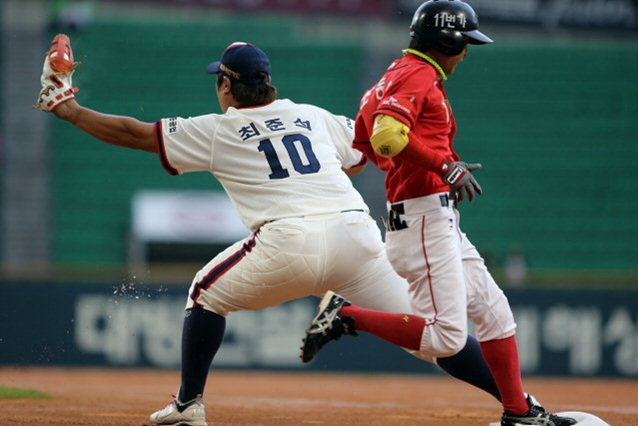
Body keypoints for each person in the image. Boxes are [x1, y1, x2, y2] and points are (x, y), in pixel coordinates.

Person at [36, 38, 507, 426]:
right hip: (356, 235)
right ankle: (521, 406)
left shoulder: (220, 129)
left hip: (289, 244)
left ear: (226, 85)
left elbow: (134, 133)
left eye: (218, 80)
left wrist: (69, 109)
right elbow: (367, 152)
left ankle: (187, 406)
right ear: (269, 84)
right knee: (431, 335)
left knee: (204, 292)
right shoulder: (313, 115)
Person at [300, 1, 577, 426]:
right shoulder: (418, 73)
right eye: (463, 42)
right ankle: (347, 315)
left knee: (494, 312)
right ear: (444, 40)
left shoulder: (392, 76)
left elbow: (367, 146)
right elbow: (387, 137)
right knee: (446, 337)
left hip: (429, 216)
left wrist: (438, 163)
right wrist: (442, 166)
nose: (466, 52)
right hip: (423, 219)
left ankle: (519, 413)